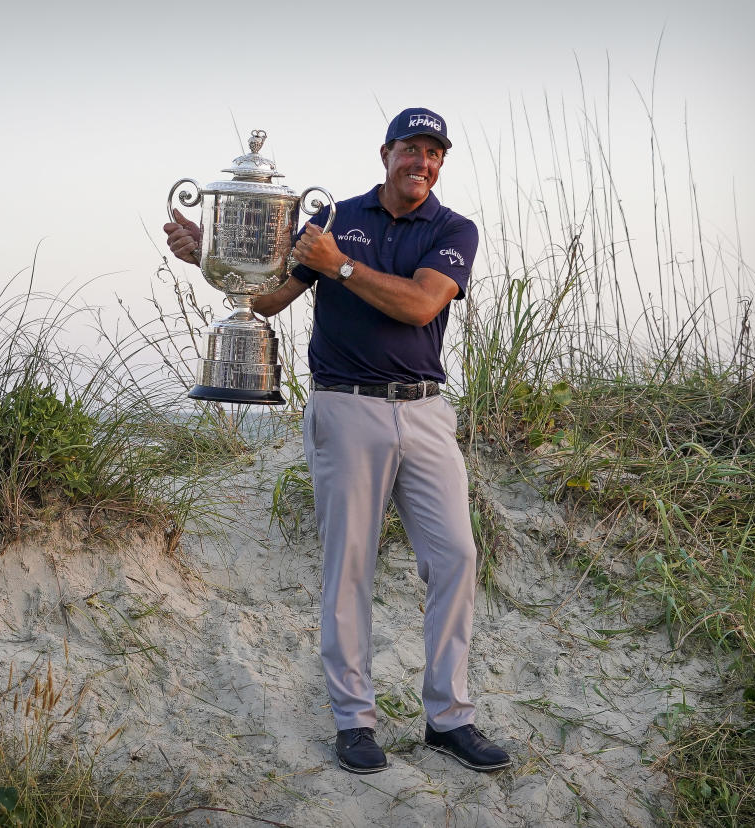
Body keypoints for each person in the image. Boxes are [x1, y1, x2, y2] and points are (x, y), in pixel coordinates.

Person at [163, 108, 510, 775]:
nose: (423, 163)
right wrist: (210, 252)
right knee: (348, 568)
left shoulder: (452, 229)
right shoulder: (331, 219)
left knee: (457, 558)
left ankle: (449, 718)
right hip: (346, 408)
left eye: (434, 154)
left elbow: (419, 305)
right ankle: (355, 721)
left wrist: (341, 268)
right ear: (386, 154)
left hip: (427, 410)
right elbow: (265, 300)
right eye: (412, 149)